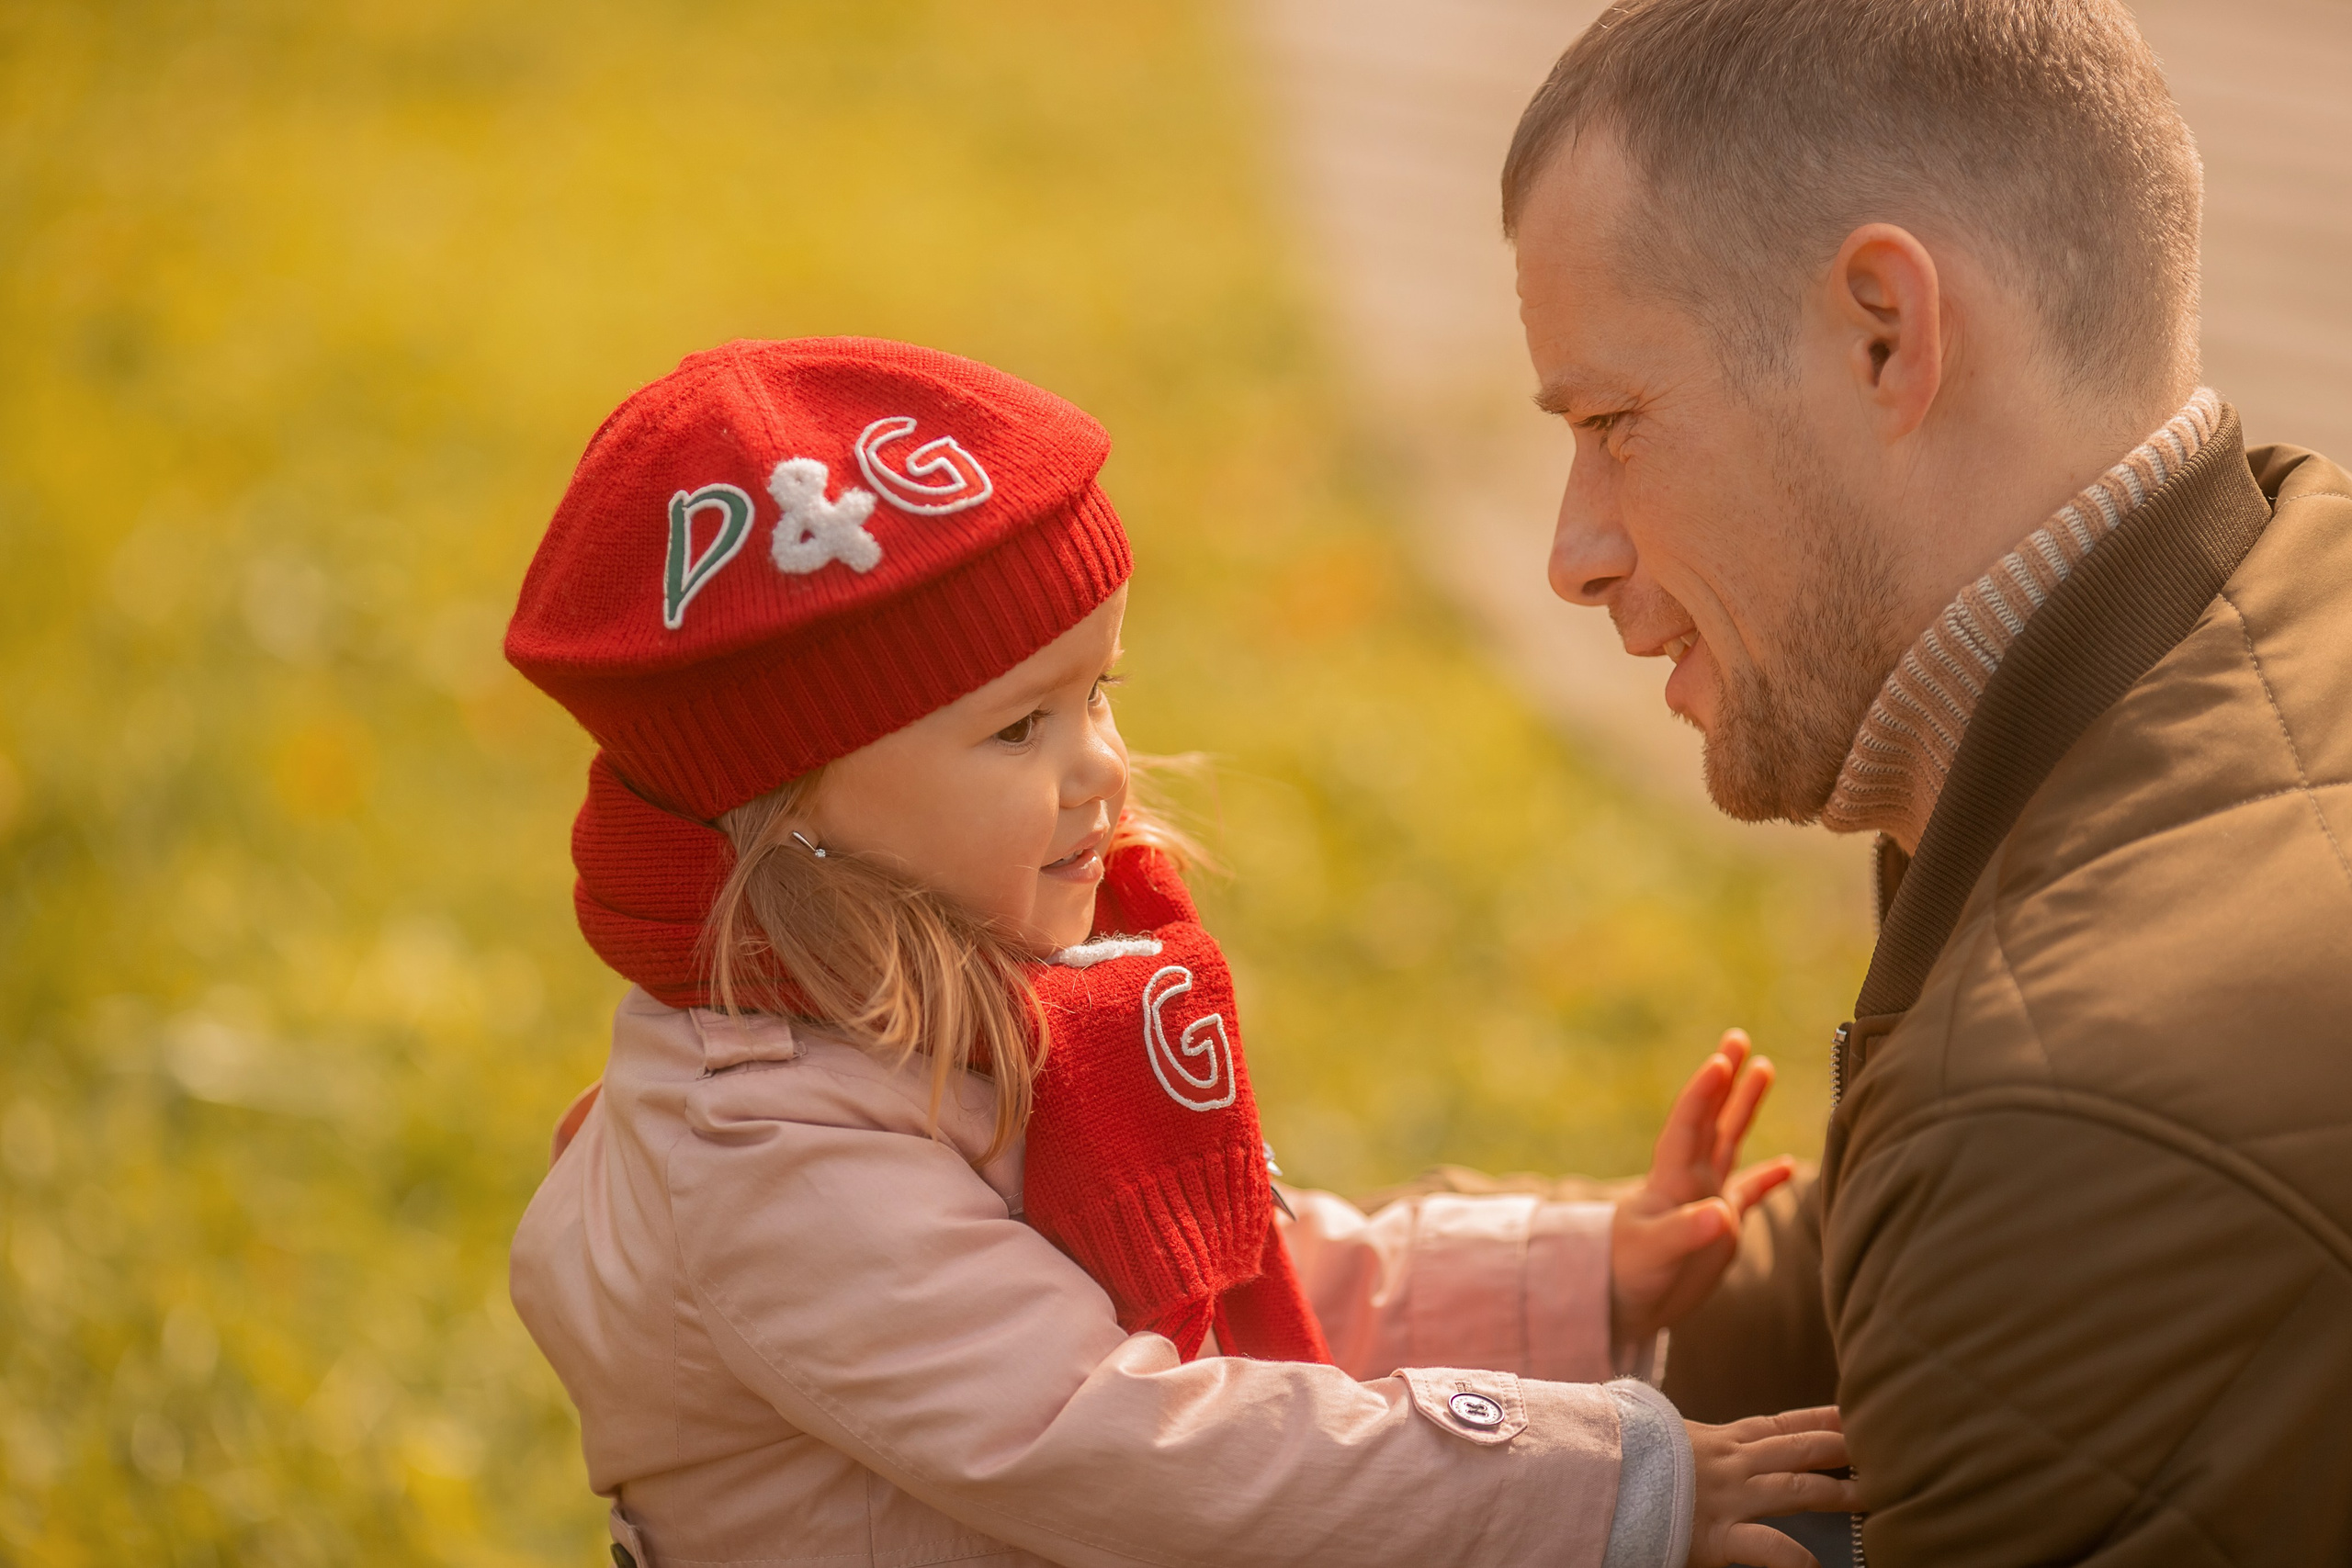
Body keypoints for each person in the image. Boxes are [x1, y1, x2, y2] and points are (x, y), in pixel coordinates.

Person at [500, 337, 1858, 1568]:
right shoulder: (770, 1156)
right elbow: (1143, 1448)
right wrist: (1599, 1487)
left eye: (1098, 694)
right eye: (1018, 729)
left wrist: (1569, 1277)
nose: (1103, 768)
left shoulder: (972, 1005)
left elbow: (1229, 1285)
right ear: (791, 800)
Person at [1502, 1, 2352, 1563]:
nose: (1575, 554)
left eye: (1615, 423)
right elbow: (1866, 1268)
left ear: (1885, 333)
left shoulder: (2072, 1107)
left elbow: (2017, 1190)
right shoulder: (2258, 599)